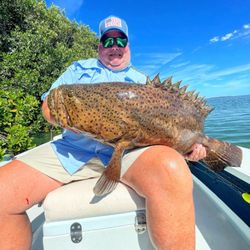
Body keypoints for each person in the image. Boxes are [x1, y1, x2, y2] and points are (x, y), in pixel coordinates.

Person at [0, 15, 206, 250]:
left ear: (127, 45)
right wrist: (62, 116)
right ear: (100, 45)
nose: (114, 46)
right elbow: (49, 105)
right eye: (108, 41)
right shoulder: (78, 70)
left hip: (127, 154)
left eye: (120, 41)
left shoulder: (143, 83)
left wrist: (187, 147)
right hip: (72, 150)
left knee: (172, 167)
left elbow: (160, 131)